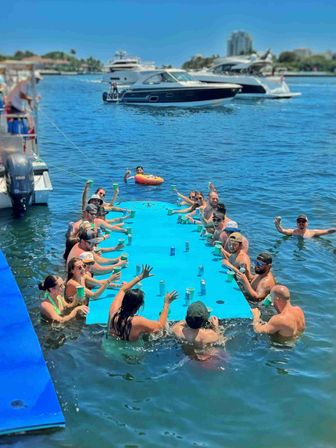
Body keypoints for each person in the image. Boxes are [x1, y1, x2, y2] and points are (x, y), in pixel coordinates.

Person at [108, 265, 178, 341]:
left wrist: (140, 277)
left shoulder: (113, 312)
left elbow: (122, 290)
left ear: (123, 301)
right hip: (132, 351)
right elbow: (160, 327)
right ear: (140, 306)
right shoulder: (138, 321)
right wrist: (166, 304)